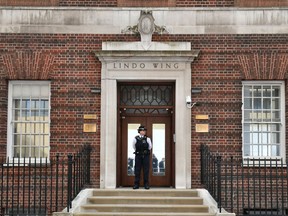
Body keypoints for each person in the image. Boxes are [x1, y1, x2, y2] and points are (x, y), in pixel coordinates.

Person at [132, 125, 152, 189]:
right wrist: (139, 152)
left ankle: (146, 184)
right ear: (139, 131)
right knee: (137, 170)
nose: (144, 132)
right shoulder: (135, 138)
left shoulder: (147, 139)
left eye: (144, 131)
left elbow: (150, 147)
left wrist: (145, 152)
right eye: (142, 130)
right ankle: (136, 184)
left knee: (146, 170)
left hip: (145, 156)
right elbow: (134, 146)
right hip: (138, 156)